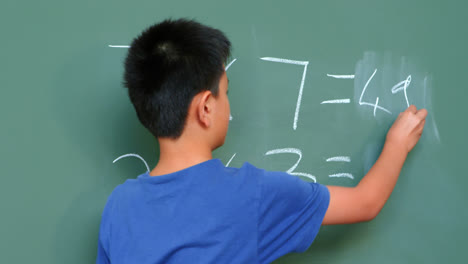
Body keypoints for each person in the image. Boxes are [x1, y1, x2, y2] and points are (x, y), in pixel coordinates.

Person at [96, 19, 427, 264]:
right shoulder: (250, 195)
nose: (229, 105)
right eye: (226, 92)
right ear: (206, 108)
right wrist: (397, 143)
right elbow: (365, 202)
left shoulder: (118, 207)